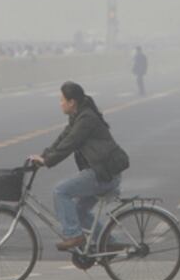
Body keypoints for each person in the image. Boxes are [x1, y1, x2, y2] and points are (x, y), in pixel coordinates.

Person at [28, 82, 129, 251]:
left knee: (61, 191)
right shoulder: (78, 116)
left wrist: (48, 161)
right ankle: (109, 243)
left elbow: (70, 143)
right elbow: (62, 139)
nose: (60, 103)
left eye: (62, 99)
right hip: (101, 173)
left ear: (72, 102)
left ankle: (74, 235)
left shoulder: (86, 119)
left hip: (102, 174)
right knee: (78, 211)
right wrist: (44, 156)